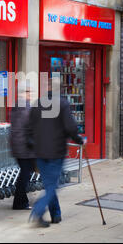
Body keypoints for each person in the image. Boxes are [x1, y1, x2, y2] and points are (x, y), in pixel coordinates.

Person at [29, 78, 85, 227]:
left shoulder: (37, 104)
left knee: (49, 184)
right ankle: (37, 211)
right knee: (52, 186)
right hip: (56, 151)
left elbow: (29, 127)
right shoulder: (63, 103)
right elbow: (71, 127)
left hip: (40, 151)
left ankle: (56, 215)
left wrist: (33, 146)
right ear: (59, 89)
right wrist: (79, 140)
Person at [10, 81, 36, 210]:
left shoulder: (17, 106)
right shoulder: (25, 107)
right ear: (22, 93)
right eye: (28, 91)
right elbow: (30, 125)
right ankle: (19, 202)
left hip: (18, 145)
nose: (30, 94)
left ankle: (21, 201)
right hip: (24, 147)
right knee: (25, 174)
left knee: (25, 173)